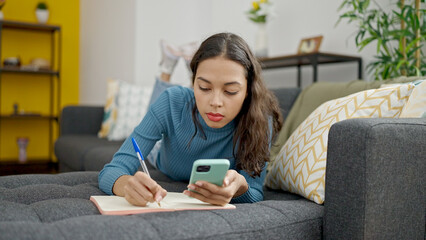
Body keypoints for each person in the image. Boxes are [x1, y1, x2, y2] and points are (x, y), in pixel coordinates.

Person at [98, 32, 283, 207]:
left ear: (248, 91)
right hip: (161, 154)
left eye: (230, 91)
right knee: (159, 110)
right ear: (193, 83)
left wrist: (241, 187)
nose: (216, 102)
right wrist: (126, 185)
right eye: (204, 87)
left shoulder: (259, 119)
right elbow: (111, 171)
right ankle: (167, 68)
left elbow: (255, 191)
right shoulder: (172, 101)